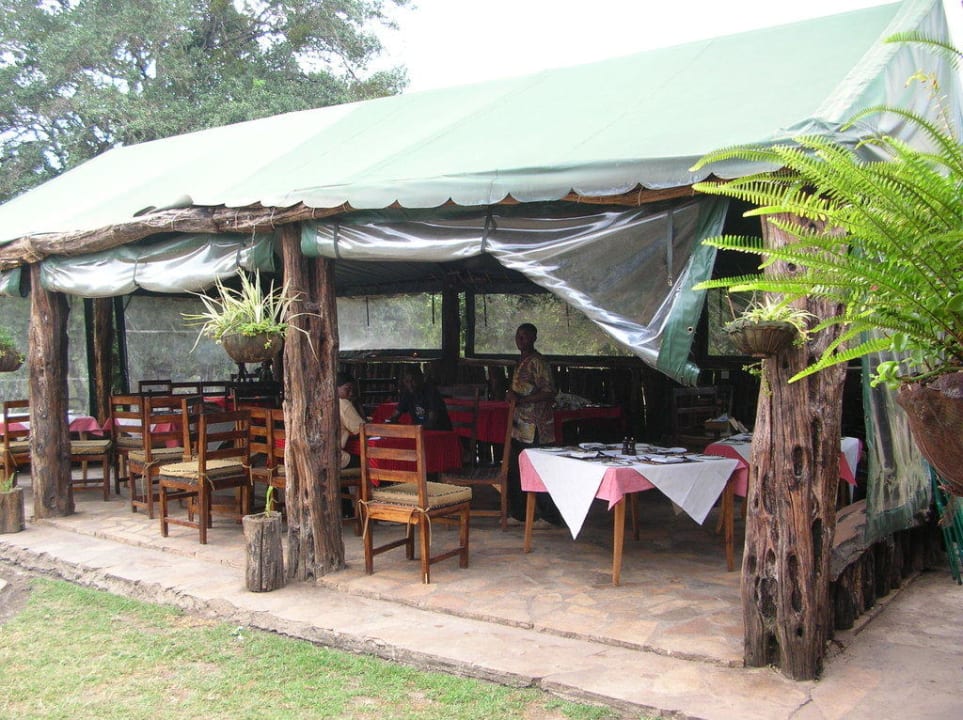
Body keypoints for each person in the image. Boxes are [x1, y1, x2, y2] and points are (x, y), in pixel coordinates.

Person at [505, 323, 564, 527]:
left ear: (533, 339)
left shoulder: (538, 362)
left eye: (525, 337)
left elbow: (549, 391)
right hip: (520, 426)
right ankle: (520, 513)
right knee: (515, 470)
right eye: (518, 336)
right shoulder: (520, 361)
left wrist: (524, 400)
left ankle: (550, 516)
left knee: (539, 470)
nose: (520, 340)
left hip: (536, 427)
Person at [386, 368, 452, 431]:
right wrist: (390, 423)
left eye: (413, 381)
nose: (410, 385)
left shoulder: (431, 393)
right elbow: (395, 415)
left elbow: (431, 423)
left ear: (421, 379)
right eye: (407, 381)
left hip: (438, 433)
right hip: (419, 432)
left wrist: (410, 428)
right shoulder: (408, 393)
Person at [337, 371, 365, 469]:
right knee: (370, 463)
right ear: (335, 388)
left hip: (315, 457)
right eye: (347, 389)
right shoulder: (343, 403)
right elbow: (362, 430)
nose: (351, 393)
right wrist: (358, 404)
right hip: (336, 459)